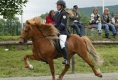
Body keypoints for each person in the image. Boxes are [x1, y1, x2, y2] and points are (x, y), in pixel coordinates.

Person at [54, 0, 69, 65]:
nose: (57, 6)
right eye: (57, 5)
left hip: (63, 32)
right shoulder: (57, 13)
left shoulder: (64, 13)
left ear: (62, 6)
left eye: (58, 5)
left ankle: (66, 59)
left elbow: (63, 24)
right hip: (56, 31)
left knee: (62, 44)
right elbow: (55, 23)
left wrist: (57, 30)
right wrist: (52, 28)